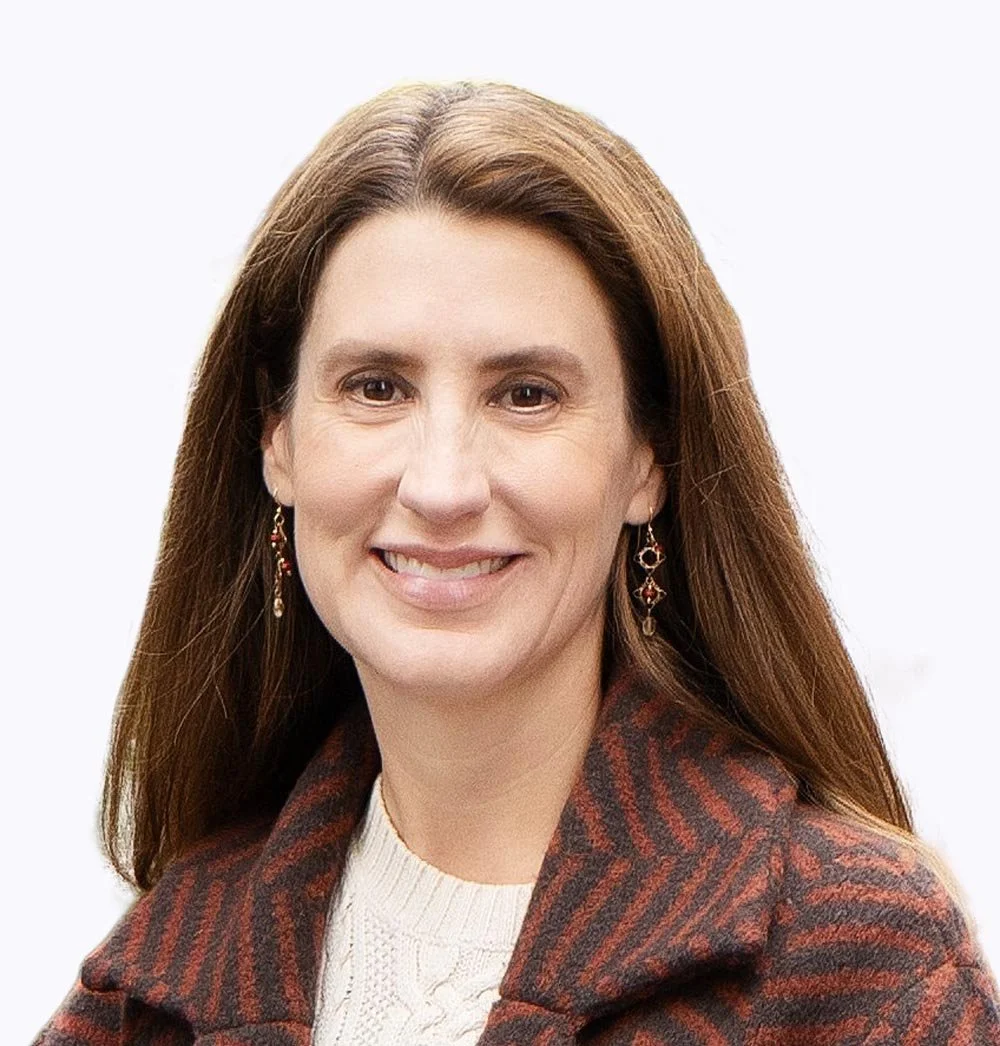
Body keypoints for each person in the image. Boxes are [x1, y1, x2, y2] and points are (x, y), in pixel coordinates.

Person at [35, 81, 999, 1046]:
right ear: (275, 441)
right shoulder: (145, 996)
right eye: (376, 387)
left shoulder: (862, 966)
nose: (443, 485)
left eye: (527, 394)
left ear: (648, 459)